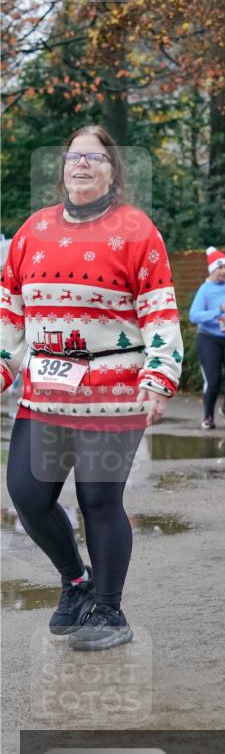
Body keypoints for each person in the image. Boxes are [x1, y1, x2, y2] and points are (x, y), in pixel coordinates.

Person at [0, 125, 183, 648]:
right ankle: (76, 581)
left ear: (112, 172)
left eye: (94, 158)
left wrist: (160, 377)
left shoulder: (136, 230)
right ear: (61, 169)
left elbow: (160, 312)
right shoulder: (32, 231)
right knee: (29, 496)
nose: (82, 164)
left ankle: (109, 610)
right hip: (46, 389)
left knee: (99, 498)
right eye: (74, 157)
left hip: (113, 387)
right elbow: (10, 315)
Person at [189, 247, 225, 429]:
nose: (224, 272)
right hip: (209, 339)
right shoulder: (205, 290)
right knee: (213, 380)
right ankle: (208, 417)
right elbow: (194, 316)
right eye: (220, 268)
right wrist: (217, 311)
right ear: (212, 270)